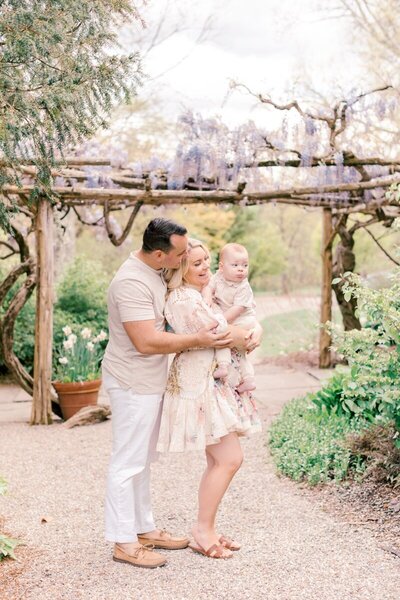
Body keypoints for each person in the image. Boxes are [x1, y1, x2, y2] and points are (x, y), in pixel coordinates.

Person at [101, 218, 259, 569]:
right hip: (132, 380)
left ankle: (143, 529)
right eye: (183, 253)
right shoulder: (130, 282)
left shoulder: (155, 273)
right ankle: (124, 541)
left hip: (151, 380)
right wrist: (201, 339)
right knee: (127, 461)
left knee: (142, 460)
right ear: (160, 255)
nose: (189, 257)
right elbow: (145, 341)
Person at [157, 239, 262, 559]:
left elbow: (232, 326)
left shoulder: (200, 294)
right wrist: (250, 332)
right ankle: (203, 530)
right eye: (196, 263)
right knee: (230, 458)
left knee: (218, 459)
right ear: (180, 266)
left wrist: (254, 328)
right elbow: (219, 332)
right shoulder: (182, 298)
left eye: (206, 262)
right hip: (199, 384)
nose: (204, 268)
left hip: (210, 382)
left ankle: (207, 529)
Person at [205, 242, 259, 393]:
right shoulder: (218, 277)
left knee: (222, 335)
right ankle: (249, 379)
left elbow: (238, 309)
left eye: (245, 265)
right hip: (230, 316)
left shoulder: (243, 287)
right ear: (222, 267)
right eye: (235, 265)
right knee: (240, 354)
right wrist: (208, 296)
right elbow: (209, 286)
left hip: (243, 319)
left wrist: (220, 320)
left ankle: (223, 366)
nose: (241, 269)